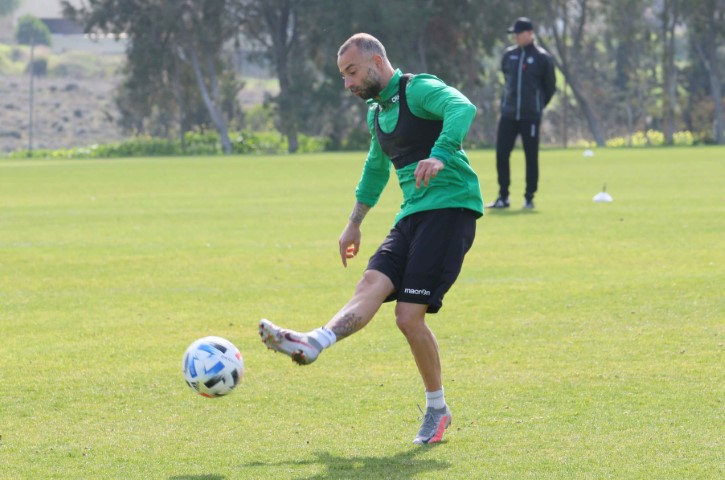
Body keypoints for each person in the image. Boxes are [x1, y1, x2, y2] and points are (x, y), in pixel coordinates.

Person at [258, 33, 483, 445]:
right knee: (370, 284)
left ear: (377, 62)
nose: (347, 83)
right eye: (343, 76)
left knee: (408, 317)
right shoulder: (377, 113)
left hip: (450, 210)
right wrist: (354, 222)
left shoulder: (417, 89)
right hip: (411, 215)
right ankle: (315, 341)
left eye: (352, 72)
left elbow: (462, 107)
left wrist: (440, 153)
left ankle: (437, 410)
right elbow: (376, 168)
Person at [488, 17, 556, 210]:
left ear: (530, 33)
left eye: (519, 33)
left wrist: (537, 106)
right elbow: (506, 80)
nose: (516, 37)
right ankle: (503, 197)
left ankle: (529, 197)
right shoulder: (509, 55)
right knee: (502, 154)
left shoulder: (542, 58)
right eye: (514, 34)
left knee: (531, 157)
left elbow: (550, 87)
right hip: (508, 115)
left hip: (530, 117)